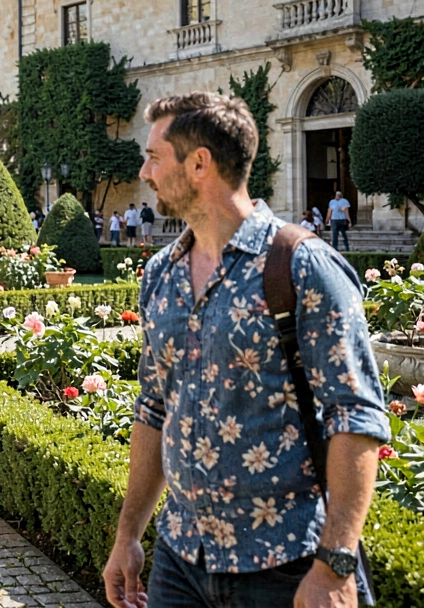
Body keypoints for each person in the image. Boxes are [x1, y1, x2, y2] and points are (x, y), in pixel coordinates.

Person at [104, 91, 389, 608]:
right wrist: (128, 537)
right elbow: (153, 408)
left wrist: (336, 565)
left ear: (198, 164)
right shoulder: (160, 275)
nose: (144, 173)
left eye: (153, 157)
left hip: (283, 563)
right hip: (181, 557)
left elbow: (356, 417)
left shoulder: (302, 267)